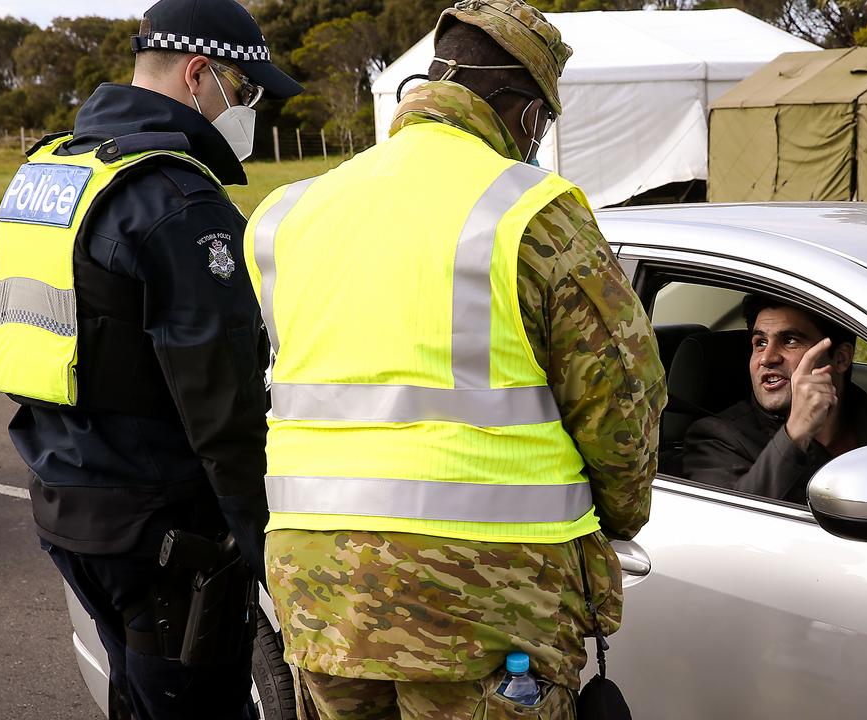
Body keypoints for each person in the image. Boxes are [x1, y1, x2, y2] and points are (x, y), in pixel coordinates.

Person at [245, 1, 666, 718]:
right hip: (484, 594)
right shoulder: (534, 209)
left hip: (319, 589)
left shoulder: (290, 212)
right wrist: (622, 517)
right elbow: (620, 403)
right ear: (527, 114)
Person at [0, 1, 302, 717]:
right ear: (200, 74)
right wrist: (268, 551)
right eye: (247, 91)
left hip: (68, 505)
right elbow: (224, 410)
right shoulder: (176, 200)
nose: (251, 110)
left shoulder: (47, 174)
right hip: (167, 536)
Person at [683, 294, 867, 503]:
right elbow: (727, 528)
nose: (767, 358)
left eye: (790, 340)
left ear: (840, 358)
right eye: (760, 343)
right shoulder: (716, 438)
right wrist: (796, 434)